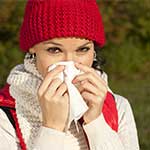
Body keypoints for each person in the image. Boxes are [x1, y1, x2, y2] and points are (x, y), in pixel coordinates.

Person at [0, 0, 140, 150]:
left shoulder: (117, 107)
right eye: (54, 50)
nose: (69, 63)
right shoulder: (5, 113)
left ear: (93, 51)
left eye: (82, 50)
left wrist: (96, 123)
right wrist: (52, 129)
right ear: (32, 48)